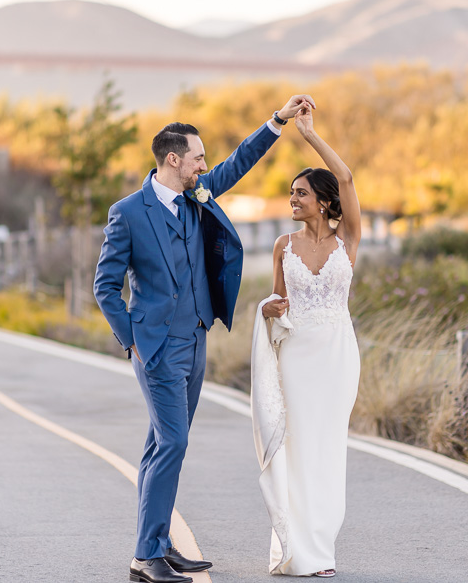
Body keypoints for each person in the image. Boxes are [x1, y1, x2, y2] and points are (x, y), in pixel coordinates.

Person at [94, 94, 317, 583]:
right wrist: (132, 338)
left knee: (162, 445)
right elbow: (105, 286)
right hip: (155, 347)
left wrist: (277, 121)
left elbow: (239, 162)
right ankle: (145, 556)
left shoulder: (199, 195)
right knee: (172, 443)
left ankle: (160, 544)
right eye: (197, 157)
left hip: (195, 341)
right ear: (173, 160)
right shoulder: (128, 212)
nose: (204, 165)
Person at [252, 102, 361, 577]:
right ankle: (294, 545)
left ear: (323, 199)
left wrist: (309, 134)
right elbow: (278, 305)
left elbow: (350, 178)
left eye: (300, 193)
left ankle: (323, 548)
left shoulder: (347, 240)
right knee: (298, 446)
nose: (292, 199)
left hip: (337, 356)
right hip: (296, 357)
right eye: (291, 192)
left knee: (327, 445)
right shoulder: (283, 246)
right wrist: (267, 308)